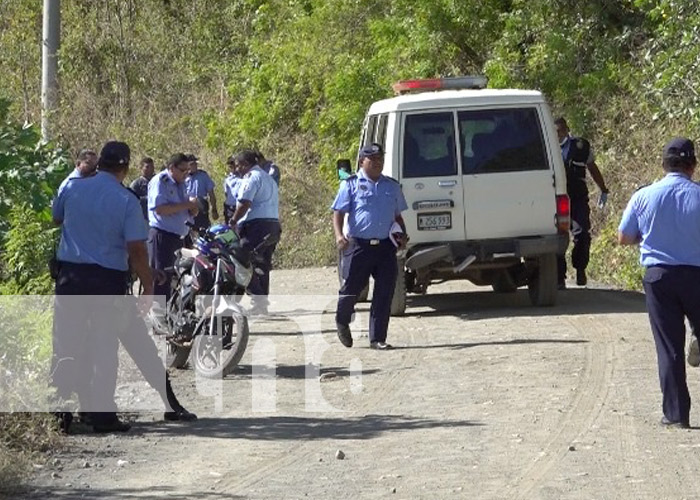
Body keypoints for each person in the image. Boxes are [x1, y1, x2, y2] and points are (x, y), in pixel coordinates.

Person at [51, 141, 195, 433]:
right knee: (110, 347)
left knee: (66, 345)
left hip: (69, 280)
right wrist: (149, 284)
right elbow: (137, 250)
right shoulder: (125, 199)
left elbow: (57, 217)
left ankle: (59, 416)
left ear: (99, 162)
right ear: (125, 167)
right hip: (107, 283)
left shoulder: (72, 187)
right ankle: (106, 416)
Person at [618, 137, 700, 428]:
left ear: (664, 165)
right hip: (696, 275)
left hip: (659, 277)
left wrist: (650, 236)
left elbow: (625, 236)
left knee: (669, 347)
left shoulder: (644, 196)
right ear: (693, 165)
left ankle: (677, 415)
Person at [331, 143, 408, 350]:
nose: (377, 163)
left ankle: (377, 338)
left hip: (385, 247)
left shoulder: (391, 186)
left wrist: (402, 235)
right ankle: (342, 320)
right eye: (372, 159)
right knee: (351, 289)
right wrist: (339, 236)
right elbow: (338, 212)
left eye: (380, 159)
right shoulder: (350, 184)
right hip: (359, 246)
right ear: (362, 161)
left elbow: (398, 216)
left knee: (384, 292)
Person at [555, 117, 609, 288]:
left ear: (566, 129)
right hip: (555, 199)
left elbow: (592, 168)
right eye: (555, 131)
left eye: (561, 130)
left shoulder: (580, 146)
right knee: (558, 236)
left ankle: (580, 269)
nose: (558, 134)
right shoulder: (546, 147)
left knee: (582, 234)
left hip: (577, 198)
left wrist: (603, 188)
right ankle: (559, 277)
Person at [229, 149, 282, 315]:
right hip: (272, 225)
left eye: (238, 166)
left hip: (257, 226)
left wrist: (233, 221)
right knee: (262, 264)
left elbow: (244, 203)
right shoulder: (268, 178)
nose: (236, 169)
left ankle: (258, 298)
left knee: (240, 259)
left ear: (245, 165)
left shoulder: (251, 178)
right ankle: (261, 305)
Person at [147, 153, 199, 299]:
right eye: (182, 170)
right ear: (171, 168)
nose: (186, 173)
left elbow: (186, 208)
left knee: (176, 278)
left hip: (179, 236)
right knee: (161, 278)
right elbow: (160, 209)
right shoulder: (160, 181)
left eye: (187, 170)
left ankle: (169, 313)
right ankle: (156, 315)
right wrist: (187, 204)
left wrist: (193, 208)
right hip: (162, 235)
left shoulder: (183, 182)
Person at [184, 154, 218, 233]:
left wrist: (214, 210)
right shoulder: (183, 177)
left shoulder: (203, 176)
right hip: (187, 209)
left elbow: (211, 194)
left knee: (204, 231)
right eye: (192, 164)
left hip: (201, 207)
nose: (195, 166)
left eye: (195, 163)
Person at [223, 155, 242, 224]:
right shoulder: (228, 179)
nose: (233, 168)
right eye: (230, 166)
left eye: (234, 165)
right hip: (230, 207)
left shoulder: (243, 177)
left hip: (240, 206)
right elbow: (226, 193)